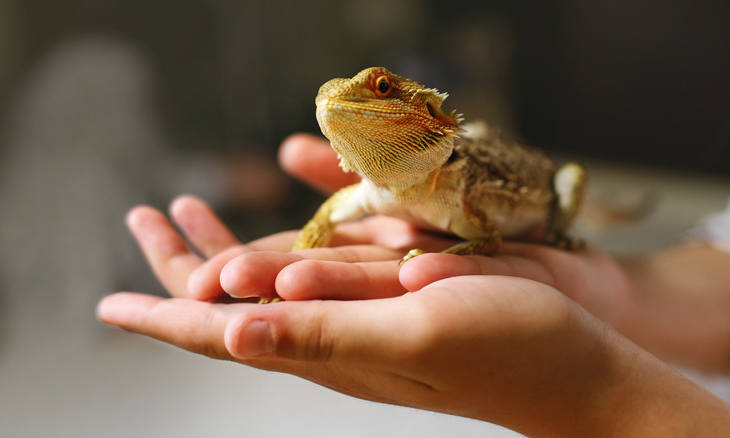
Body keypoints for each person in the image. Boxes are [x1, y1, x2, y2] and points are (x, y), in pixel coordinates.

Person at [97, 133, 730, 437]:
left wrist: (601, 401)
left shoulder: (457, 189)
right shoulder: (376, 189)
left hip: (529, 190)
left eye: (377, 90)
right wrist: (619, 291)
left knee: (566, 181)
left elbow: (480, 239)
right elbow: (325, 218)